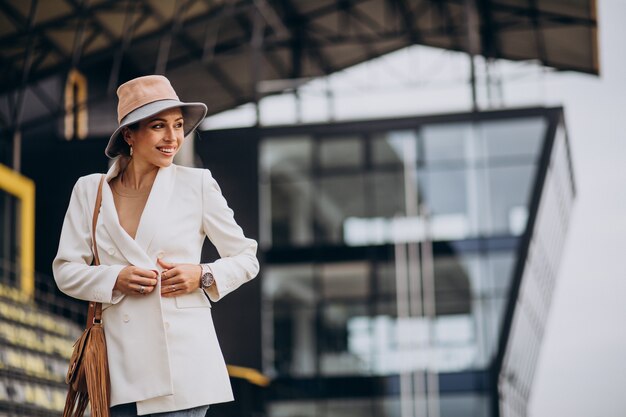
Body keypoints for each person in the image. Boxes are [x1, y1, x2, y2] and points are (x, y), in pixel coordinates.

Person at [52, 75, 259, 417]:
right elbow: (65, 271)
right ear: (129, 134)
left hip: (183, 369)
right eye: (159, 126)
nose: (173, 137)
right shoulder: (90, 191)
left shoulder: (197, 185)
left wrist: (203, 275)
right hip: (117, 370)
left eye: (178, 125)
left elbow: (246, 257)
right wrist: (115, 279)